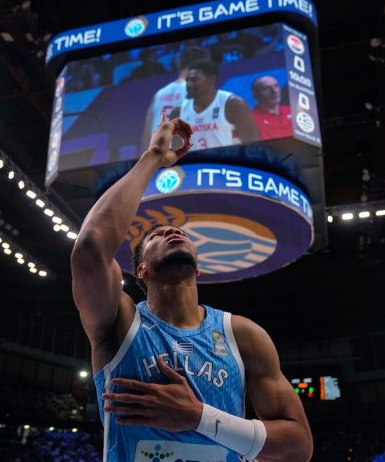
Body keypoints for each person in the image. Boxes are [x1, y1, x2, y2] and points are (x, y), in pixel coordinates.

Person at [71, 114, 313, 462]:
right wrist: (154, 155)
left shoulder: (243, 335)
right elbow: (90, 248)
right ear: (141, 269)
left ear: (198, 267)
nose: (173, 231)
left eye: (181, 233)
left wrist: (199, 417)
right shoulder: (119, 322)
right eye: (156, 235)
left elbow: (299, 446)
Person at [170, 60, 260, 151]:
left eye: (194, 79)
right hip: (197, 164)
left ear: (211, 79)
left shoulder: (233, 104)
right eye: (187, 80)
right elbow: (176, 152)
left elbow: (252, 143)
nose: (189, 84)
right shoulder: (177, 112)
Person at [139, 45, 211, 151]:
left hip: (159, 159)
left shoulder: (159, 94)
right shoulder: (198, 91)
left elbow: (146, 138)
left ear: (180, 64)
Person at [251, 75, 293, 140]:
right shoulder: (250, 120)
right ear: (255, 95)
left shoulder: (293, 111)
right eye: (267, 88)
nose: (274, 91)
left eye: (276, 86)